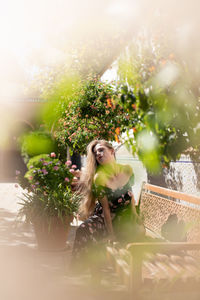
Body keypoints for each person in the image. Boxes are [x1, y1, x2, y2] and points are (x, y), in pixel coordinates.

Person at [70, 140, 144, 272]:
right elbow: (106, 209)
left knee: (139, 231)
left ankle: (97, 267)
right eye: (95, 152)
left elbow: (130, 195)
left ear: (112, 151)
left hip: (123, 218)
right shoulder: (99, 177)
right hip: (106, 217)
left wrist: (134, 213)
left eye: (101, 150)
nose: (98, 154)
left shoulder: (127, 170)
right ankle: (79, 269)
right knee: (83, 229)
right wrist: (111, 235)